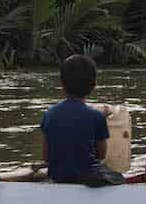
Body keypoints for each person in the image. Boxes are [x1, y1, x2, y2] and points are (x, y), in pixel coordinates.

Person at [40, 54, 123, 186]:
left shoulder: (49, 114)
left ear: (61, 83)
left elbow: (45, 156)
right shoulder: (97, 117)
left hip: (58, 177)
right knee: (118, 177)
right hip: (88, 178)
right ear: (93, 85)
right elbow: (101, 155)